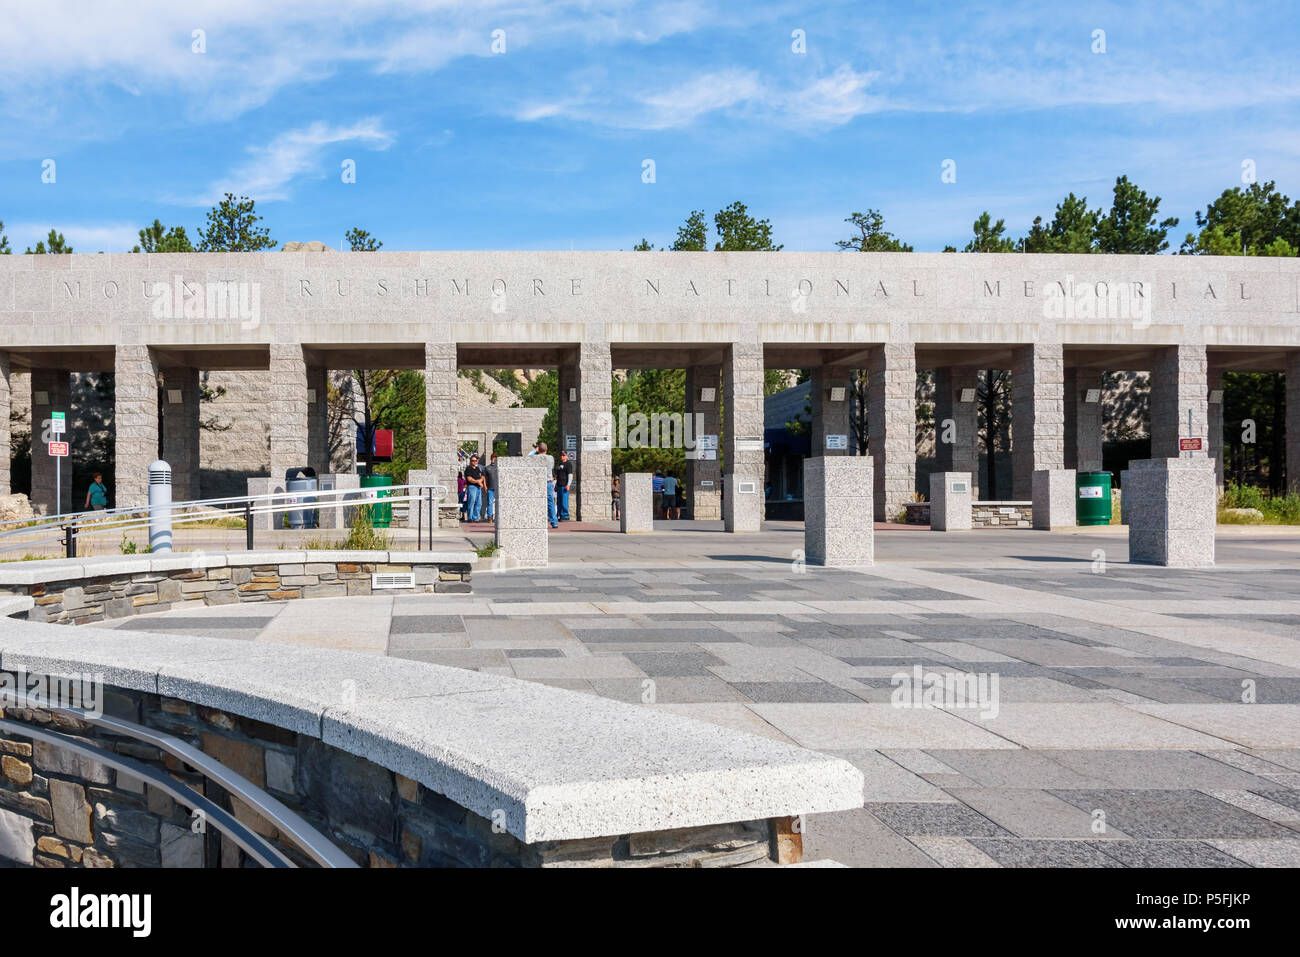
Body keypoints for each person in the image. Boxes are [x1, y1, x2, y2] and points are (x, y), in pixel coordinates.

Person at [538, 442, 558, 528]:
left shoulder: (535, 458)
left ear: (538, 449)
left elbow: (528, 457)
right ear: (546, 450)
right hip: (548, 481)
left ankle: (539, 521)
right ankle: (554, 522)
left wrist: (534, 451)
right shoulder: (551, 458)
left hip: (539, 482)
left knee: (538, 501)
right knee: (550, 502)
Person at [464, 454, 485, 522]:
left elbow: (482, 476)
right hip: (472, 487)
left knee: (479, 503)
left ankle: (475, 518)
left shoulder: (478, 468)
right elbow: (469, 479)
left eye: (476, 461)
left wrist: (480, 481)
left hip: (478, 488)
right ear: (470, 461)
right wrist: (478, 482)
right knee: (471, 502)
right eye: (473, 461)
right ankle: (470, 518)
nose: (474, 462)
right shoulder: (468, 469)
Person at [555, 450, 574, 521]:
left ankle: (565, 515)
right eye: (561, 455)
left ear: (566, 456)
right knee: (559, 501)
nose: (562, 456)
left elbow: (570, 475)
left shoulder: (568, 464)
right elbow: (558, 476)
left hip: (564, 485)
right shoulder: (559, 464)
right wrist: (556, 485)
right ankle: (560, 514)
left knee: (564, 501)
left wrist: (568, 484)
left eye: (563, 455)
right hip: (559, 485)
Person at [484, 453, 498, 521]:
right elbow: (484, 478)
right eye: (493, 457)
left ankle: (498, 517)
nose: (494, 459)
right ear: (491, 458)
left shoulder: (498, 467)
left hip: (498, 489)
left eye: (495, 457)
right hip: (490, 488)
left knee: (499, 503)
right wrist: (485, 486)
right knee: (490, 503)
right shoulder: (487, 468)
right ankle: (490, 517)